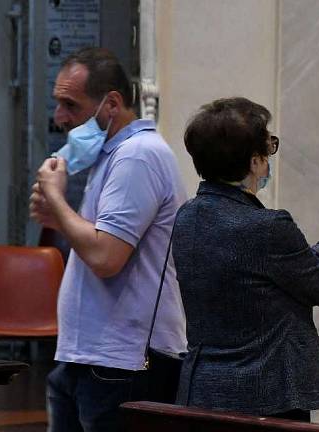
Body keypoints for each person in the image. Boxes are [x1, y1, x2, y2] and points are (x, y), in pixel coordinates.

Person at [172, 97, 319, 421]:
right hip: (268, 395)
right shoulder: (268, 226)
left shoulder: (187, 216)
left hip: (204, 389)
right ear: (255, 161)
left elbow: (258, 276)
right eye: (268, 147)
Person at [29, 47, 187, 432]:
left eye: (71, 104)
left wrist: (56, 200)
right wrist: (59, 215)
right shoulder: (113, 154)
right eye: (58, 103)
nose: (59, 117)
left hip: (123, 363)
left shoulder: (138, 155)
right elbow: (97, 242)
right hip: (92, 356)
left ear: (111, 103)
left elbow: (105, 257)